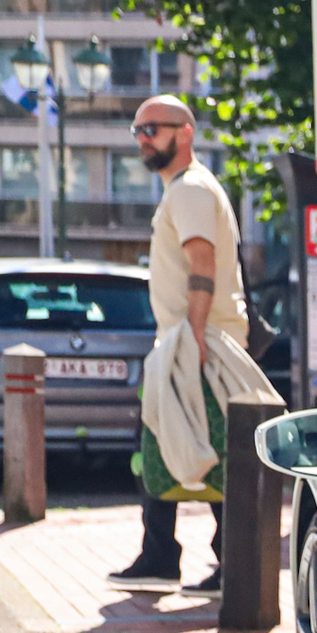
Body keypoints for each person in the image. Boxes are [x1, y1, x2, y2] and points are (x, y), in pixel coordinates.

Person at [104, 96, 256, 595]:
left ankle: (219, 562)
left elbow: (202, 263)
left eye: (153, 129)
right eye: (138, 130)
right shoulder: (184, 189)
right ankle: (162, 555)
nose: (143, 138)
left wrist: (192, 338)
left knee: (209, 446)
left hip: (196, 341)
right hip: (185, 340)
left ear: (184, 133)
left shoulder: (190, 189)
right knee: (163, 441)